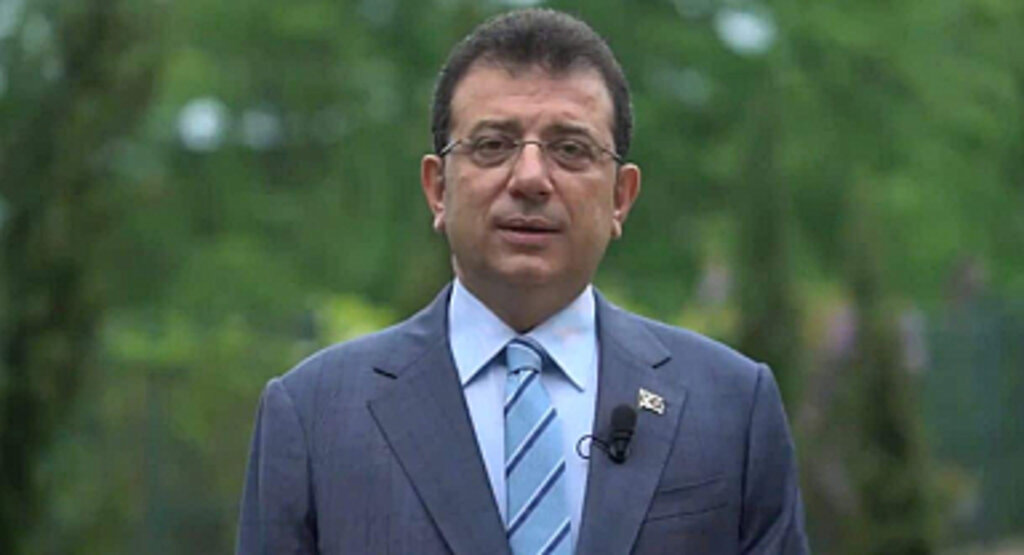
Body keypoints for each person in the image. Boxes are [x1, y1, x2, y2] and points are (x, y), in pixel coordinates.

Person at [237, 8, 808, 554]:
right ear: (437, 189)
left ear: (621, 197)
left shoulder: (730, 407)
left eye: (571, 149)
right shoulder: (314, 415)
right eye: (492, 146)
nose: (531, 178)